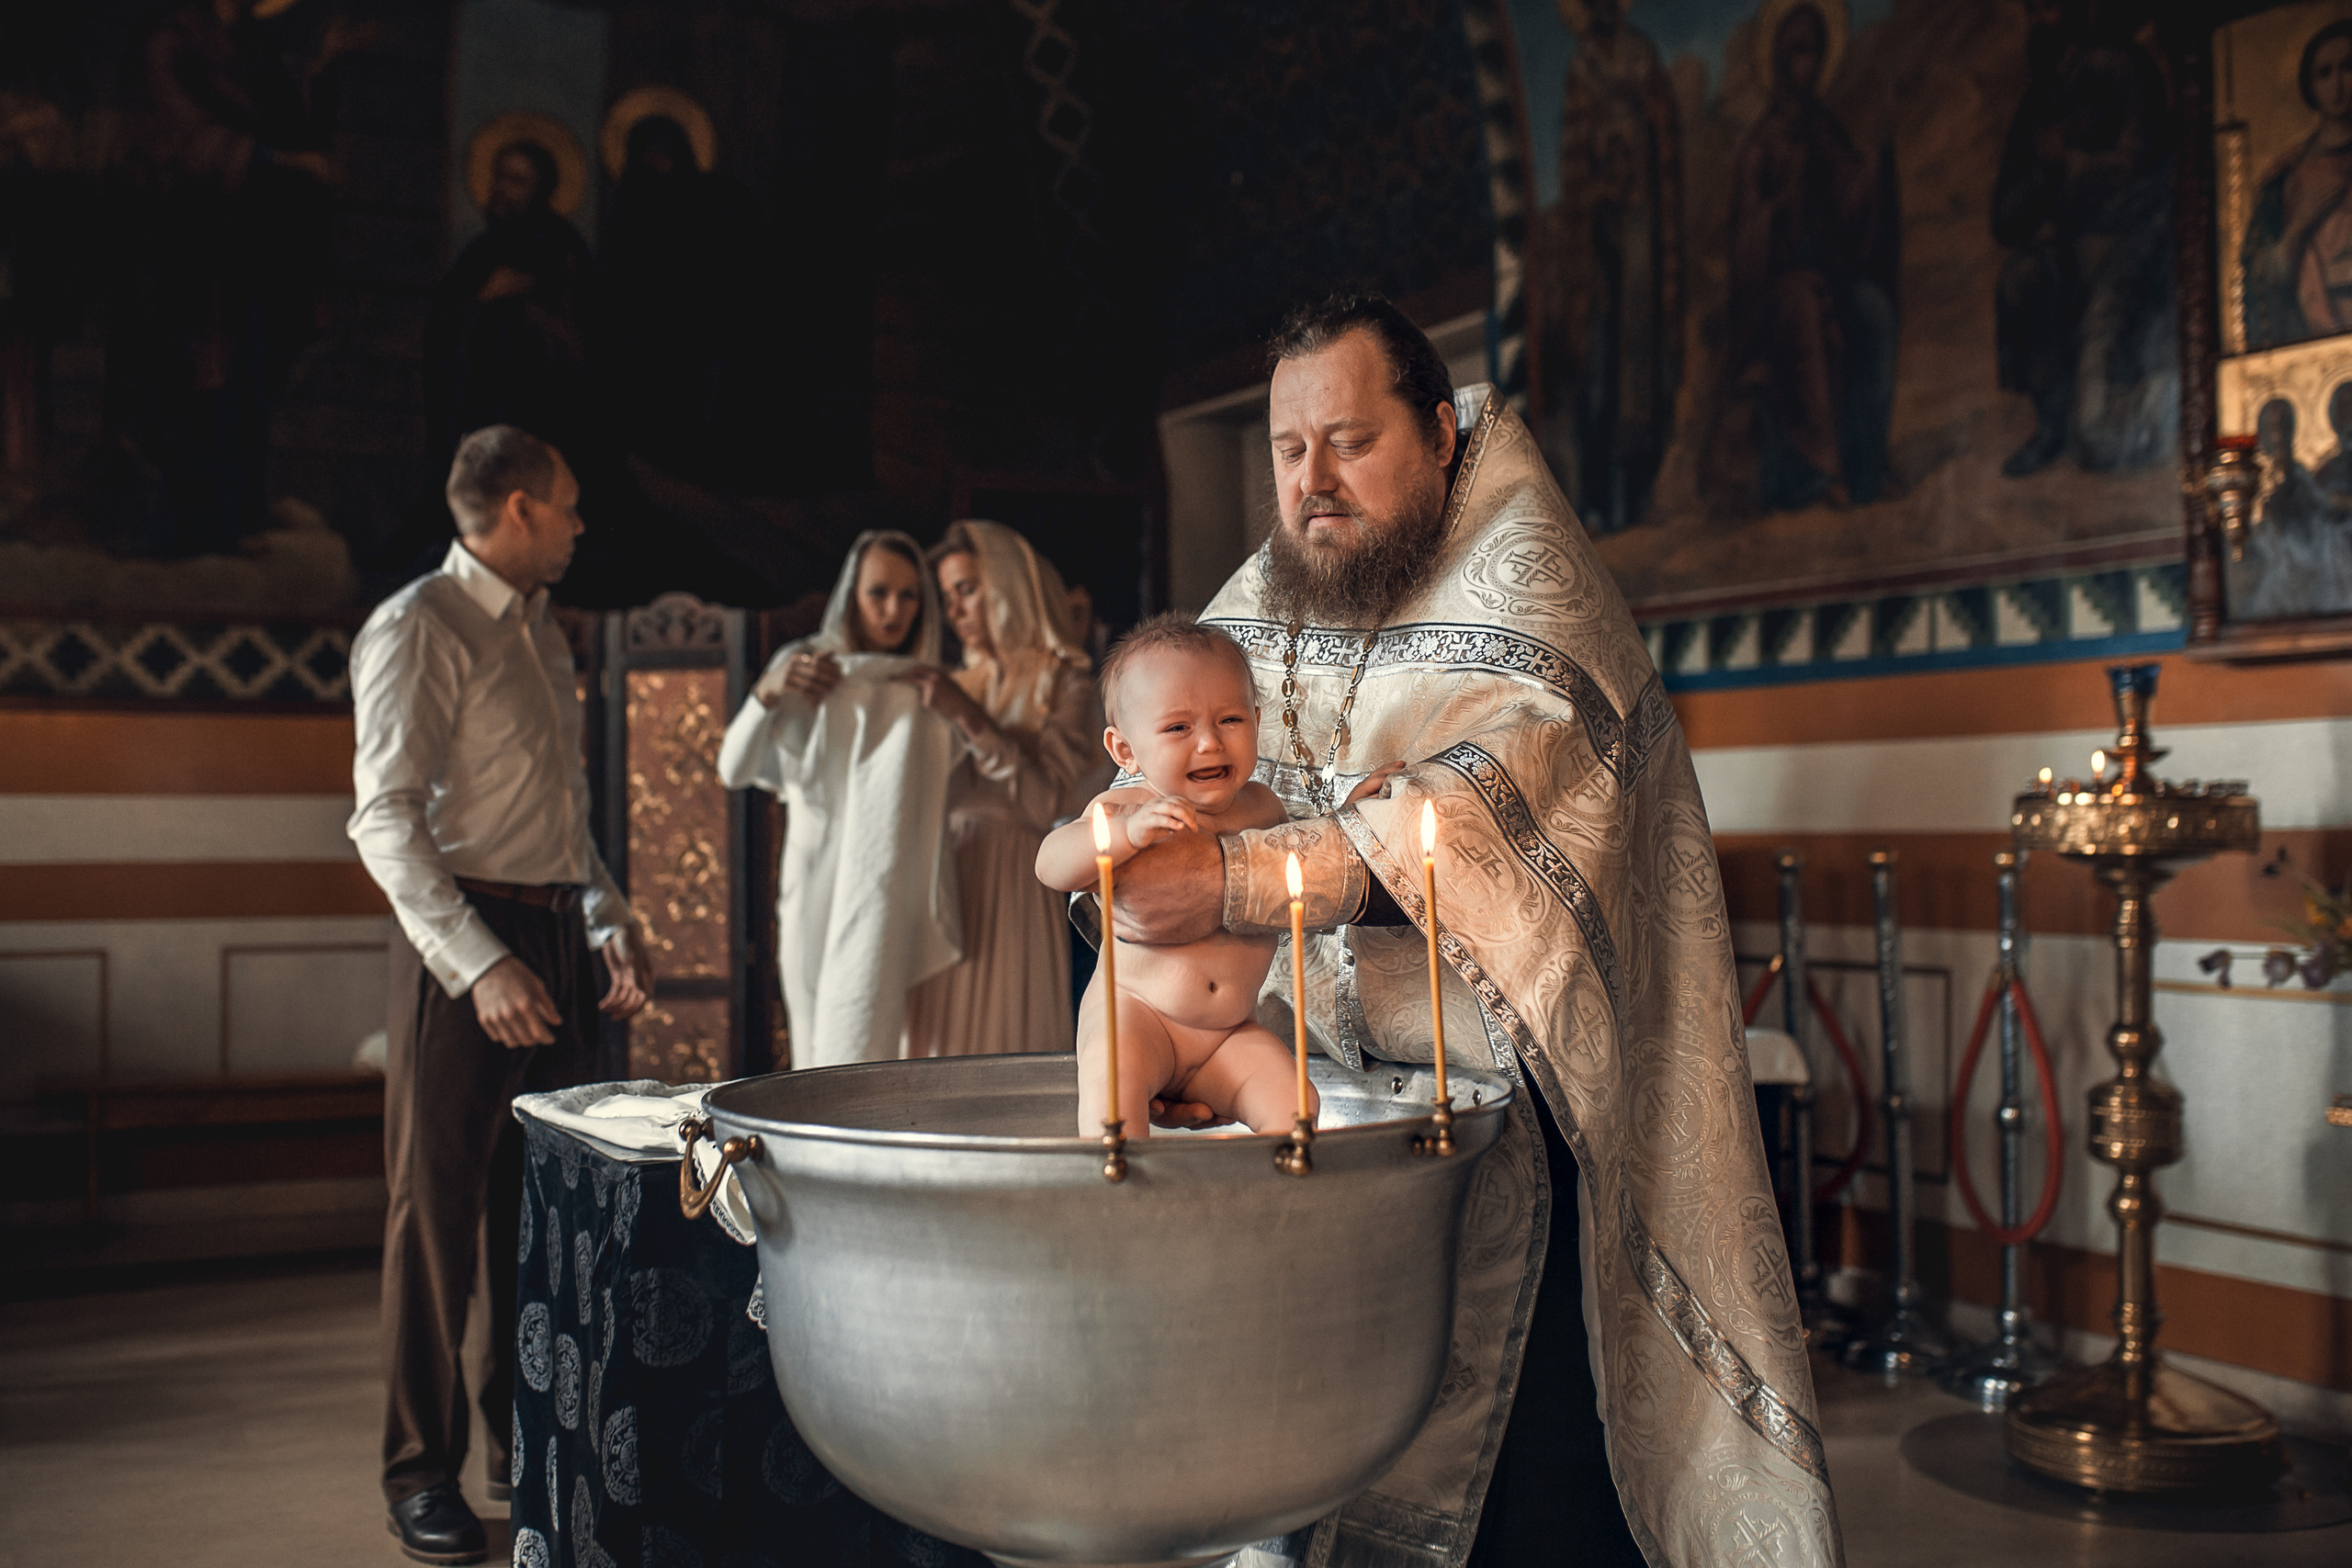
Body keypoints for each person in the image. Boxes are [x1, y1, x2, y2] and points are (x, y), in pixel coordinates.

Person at [1110, 294, 1841, 1567]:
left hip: (1514, 1120)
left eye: (1348, 439)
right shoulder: (1268, 598)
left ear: (1441, 431)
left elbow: (1481, 820)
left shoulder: (1536, 587)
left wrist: (1228, 880)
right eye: (1288, 451)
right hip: (1313, 1115)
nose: (1312, 481)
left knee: (1527, 1496)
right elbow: (1162, 766)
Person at [348, 424, 650, 1565]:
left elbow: (559, 814)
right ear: (517, 507)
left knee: (546, 1215)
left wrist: (606, 918)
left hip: (555, 929)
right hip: (460, 945)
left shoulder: (539, 631)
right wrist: (479, 962)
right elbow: (385, 818)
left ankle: (520, 1443)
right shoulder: (418, 626)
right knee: (434, 1225)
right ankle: (418, 1475)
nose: (580, 524)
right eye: (568, 505)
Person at [1036, 616, 1300, 1136]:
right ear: (1125, 751)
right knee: (1113, 1102)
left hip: (1227, 1035)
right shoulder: (1129, 807)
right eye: (1179, 727)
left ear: (1257, 719)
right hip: (1137, 1017)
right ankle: (1118, 1205)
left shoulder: (1263, 806)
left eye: (1229, 720)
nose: (1209, 744)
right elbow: (1050, 862)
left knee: (1294, 1106)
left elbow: (1305, 852)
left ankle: (1275, 1207)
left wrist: (1350, 813)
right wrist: (1126, 835)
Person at [717, 532, 965, 1067]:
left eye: (909, 595)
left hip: (888, 894)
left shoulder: (928, 687)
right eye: (879, 593)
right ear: (852, 594)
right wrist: (770, 691)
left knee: (873, 1050)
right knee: (813, 1046)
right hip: (811, 883)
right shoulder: (807, 668)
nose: (894, 609)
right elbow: (731, 769)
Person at [900, 521, 1102, 1057]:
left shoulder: (1068, 682)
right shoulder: (951, 684)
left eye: (967, 589)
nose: (956, 611)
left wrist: (970, 720)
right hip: (943, 879)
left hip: (1015, 875)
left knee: (1005, 1043)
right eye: (947, 598)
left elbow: (1047, 805)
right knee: (933, 1049)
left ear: (1007, 584)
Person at [1725, 0, 1897, 513]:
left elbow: (1850, 203)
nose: (1805, 64)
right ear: (1778, 60)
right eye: (1796, 51)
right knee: (1801, 307)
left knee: (1873, 312)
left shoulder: (1825, 130)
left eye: (1814, 52)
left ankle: (1866, 466)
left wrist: (1870, 176)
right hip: (1774, 293)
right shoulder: (1764, 142)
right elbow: (1745, 238)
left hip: (1832, 277)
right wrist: (1778, 212)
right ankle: (1818, 473)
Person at [424, 139, 594, 472]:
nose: (502, 188)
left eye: (516, 181)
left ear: (542, 190)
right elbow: (442, 321)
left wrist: (527, 294)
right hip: (480, 413)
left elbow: (580, 332)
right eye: (499, 177)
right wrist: (478, 303)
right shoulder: (481, 251)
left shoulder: (563, 248)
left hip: (539, 418)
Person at [2243, 18, 2352, 352]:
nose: (2337, 85)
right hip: (2315, 337)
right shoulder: (2285, 176)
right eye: (2324, 73)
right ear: (2311, 85)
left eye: (2348, 67)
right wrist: (2300, 224)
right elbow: (2259, 282)